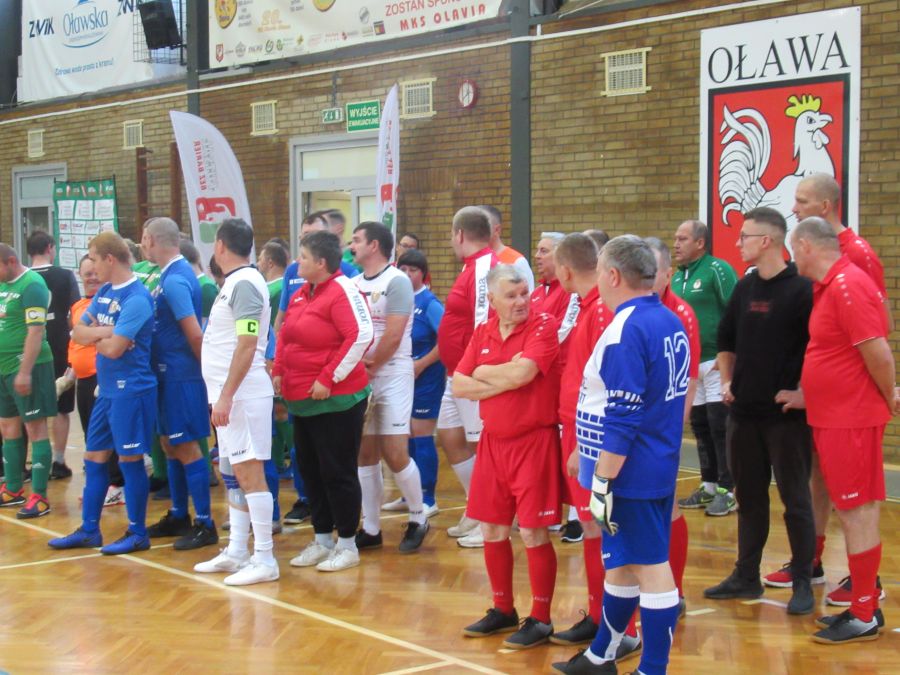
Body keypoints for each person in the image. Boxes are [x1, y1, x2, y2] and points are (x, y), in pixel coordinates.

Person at [554, 235, 688, 675]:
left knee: (650, 567)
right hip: (652, 460)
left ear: (612, 275)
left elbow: (624, 412)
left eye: (599, 272)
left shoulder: (626, 328)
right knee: (623, 563)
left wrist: (604, 480)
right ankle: (601, 655)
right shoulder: (667, 319)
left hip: (630, 470)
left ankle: (653, 668)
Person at [771, 173, 893, 602]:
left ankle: (865, 589)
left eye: (802, 200)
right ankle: (813, 559)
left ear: (825, 207)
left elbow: (875, 332)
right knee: (821, 478)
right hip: (830, 404)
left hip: (851, 407)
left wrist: (886, 392)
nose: (794, 207)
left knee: (856, 503)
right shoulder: (827, 275)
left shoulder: (853, 260)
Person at [701, 207, 816, 616]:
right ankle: (746, 575)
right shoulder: (745, 287)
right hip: (744, 415)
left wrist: (804, 393)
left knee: (795, 500)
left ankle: (803, 581)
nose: (738, 243)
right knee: (748, 498)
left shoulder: (802, 289)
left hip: (786, 419)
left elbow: (819, 348)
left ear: (766, 241)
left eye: (744, 236)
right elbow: (725, 339)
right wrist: (727, 381)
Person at [453, 264, 562, 650]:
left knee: (533, 531)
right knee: (491, 529)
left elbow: (524, 374)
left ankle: (542, 619)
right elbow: (459, 385)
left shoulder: (543, 325)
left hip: (533, 442)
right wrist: (503, 376)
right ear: (492, 299)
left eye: (524, 293)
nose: (520, 301)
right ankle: (503, 609)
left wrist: (484, 372)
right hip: (493, 442)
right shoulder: (482, 330)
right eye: (511, 296)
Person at [550, 233, 640, 659]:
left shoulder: (602, 312)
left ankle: (623, 628)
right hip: (576, 429)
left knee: (605, 526)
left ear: (566, 270)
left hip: (589, 434)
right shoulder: (587, 307)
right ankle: (600, 616)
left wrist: (585, 447)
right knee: (591, 526)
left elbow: (610, 388)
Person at [48, 232, 156, 553]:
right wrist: (109, 331)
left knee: (130, 461)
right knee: (93, 459)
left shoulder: (137, 298)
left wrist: (97, 335)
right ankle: (89, 530)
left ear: (110, 259)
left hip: (131, 391)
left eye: (94, 259)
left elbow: (113, 349)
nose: (91, 268)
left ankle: (137, 533)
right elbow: (77, 332)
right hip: (106, 391)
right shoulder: (106, 291)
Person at [274, 230, 373, 573]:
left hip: (338, 401)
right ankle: (322, 539)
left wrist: (329, 377)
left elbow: (361, 335)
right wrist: (279, 370)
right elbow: (286, 336)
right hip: (302, 401)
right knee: (311, 471)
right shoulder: (302, 292)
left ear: (320, 262)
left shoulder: (343, 289)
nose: (296, 261)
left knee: (338, 472)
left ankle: (347, 544)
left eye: (302, 256)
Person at [195, 218, 278, 586]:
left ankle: (265, 558)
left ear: (220, 246)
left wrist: (226, 396)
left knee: (249, 473)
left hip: (242, 395)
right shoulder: (234, 283)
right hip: (228, 395)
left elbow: (247, 344)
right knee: (231, 473)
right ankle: (237, 551)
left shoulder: (244, 284)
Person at [349, 222, 429, 553]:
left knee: (395, 452)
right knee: (364, 453)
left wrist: (369, 367)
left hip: (392, 373)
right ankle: (371, 528)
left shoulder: (397, 281)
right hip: (362, 376)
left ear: (374, 245)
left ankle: (418, 517)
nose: (351, 246)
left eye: (356, 240)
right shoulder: (353, 284)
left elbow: (394, 335)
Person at [140, 218, 218, 551]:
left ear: (151, 239)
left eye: (143, 238)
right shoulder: (167, 274)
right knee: (169, 444)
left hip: (180, 375)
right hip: (166, 374)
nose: (141, 244)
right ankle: (178, 514)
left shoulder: (174, 279)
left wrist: (208, 377)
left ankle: (205, 523)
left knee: (185, 447)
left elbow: (195, 334)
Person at [436, 206, 498, 546]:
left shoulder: (484, 267)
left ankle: (490, 520)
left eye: (451, 234)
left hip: (469, 374)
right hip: (455, 373)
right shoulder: (470, 266)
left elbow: (484, 322)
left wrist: (474, 372)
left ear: (460, 234)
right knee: (450, 436)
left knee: (481, 445)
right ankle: (476, 507)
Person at [644, 237, 699, 613]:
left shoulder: (680, 314)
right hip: (634, 424)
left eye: (654, 272)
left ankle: (674, 591)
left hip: (661, 429)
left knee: (669, 504)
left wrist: (674, 429)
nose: (647, 278)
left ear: (668, 274)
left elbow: (688, 379)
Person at [672, 219, 738, 516]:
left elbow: (735, 312)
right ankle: (708, 485)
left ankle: (729, 489)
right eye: (676, 238)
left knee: (720, 426)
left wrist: (731, 359)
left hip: (715, 363)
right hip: (690, 366)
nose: (676, 244)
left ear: (700, 243)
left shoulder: (717, 269)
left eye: (683, 239)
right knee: (700, 427)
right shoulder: (676, 278)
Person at [383, 249, 443, 516]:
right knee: (404, 434)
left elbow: (446, 342)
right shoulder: (394, 299)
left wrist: (421, 364)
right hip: (401, 378)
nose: (407, 274)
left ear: (423, 274)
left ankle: (428, 498)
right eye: (403, 269)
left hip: (426, 378)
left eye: (413, 270)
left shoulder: (429, 303)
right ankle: (410, 494)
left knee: (421, 435)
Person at [0, 244, 57, 518]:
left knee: (35, 428)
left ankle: (40, 496)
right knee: (7, 426)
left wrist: (25, 372)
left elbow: (36, 331)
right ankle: (13, 488)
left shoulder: (32, 285)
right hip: (3, 369)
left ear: (11, 261)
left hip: (28, 367)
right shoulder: (3, 284)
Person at [26, 230, 80, 480]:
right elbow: (75, 312)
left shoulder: (22, 278)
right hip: (59, 345)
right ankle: (58, 462)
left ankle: (32, 462)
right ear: (50, 247)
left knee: (29, 407)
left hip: (30, 347)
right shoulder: (65, 275)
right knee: (62, 407)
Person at [273, 212, 358, 333]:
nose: (311, 240)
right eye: (306, 235)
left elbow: (356, 327)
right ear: (300, 239)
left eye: (316, 235)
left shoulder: (348, 272)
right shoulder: (292, 271)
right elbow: (281, 316)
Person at [481, 205, 535, 292]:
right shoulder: (473, 262)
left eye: (482, 226)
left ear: (497, 230)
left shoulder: (517, 261)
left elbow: (528, 297)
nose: (476, 231)